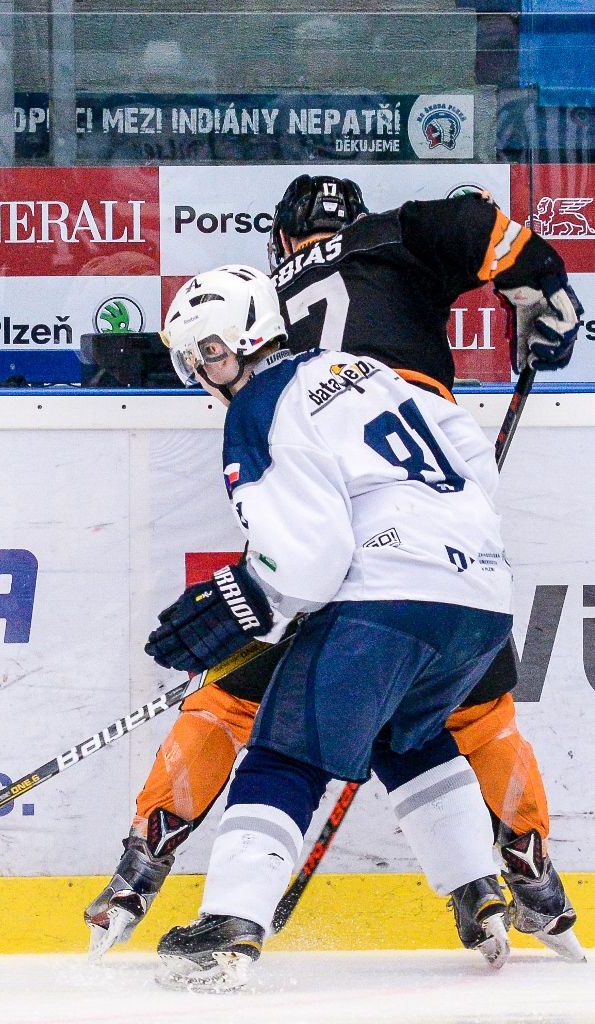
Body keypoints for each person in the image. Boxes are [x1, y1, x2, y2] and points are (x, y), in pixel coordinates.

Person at [85, 176, 584, 963]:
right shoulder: (383, 259)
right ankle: (503, 880)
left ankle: (151, 872)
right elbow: (469, 219)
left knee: (241, 711)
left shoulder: (267, 357)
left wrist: (249, 596)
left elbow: (306, 560)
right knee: (457, 723)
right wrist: (539, 286)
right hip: (457, 543)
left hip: (353, 546)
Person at [150, 264, 514, 990]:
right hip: (482, 596)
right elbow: (473, 457)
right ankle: (479, 888)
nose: (204, 371)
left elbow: (309, 565)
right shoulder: (357, 368)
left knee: (285, 751)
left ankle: (229, 927)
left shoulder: (255, 410)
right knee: (402, 734)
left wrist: (246, 596)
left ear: (253, 337)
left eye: (211, 352)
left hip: (391, 597)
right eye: (195, 358)